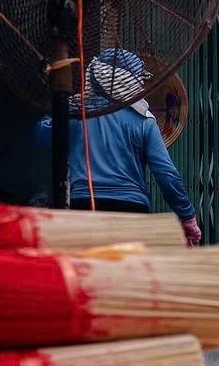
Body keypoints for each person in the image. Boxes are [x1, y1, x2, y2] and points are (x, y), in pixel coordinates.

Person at [36, 49, 200, 245]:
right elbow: (166, 174)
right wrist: (187, 217)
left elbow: (38, 136)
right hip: (132, 212)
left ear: (94, 75)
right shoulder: (145, 121)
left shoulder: (74, 114)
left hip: (83, 208)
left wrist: (57, 103)